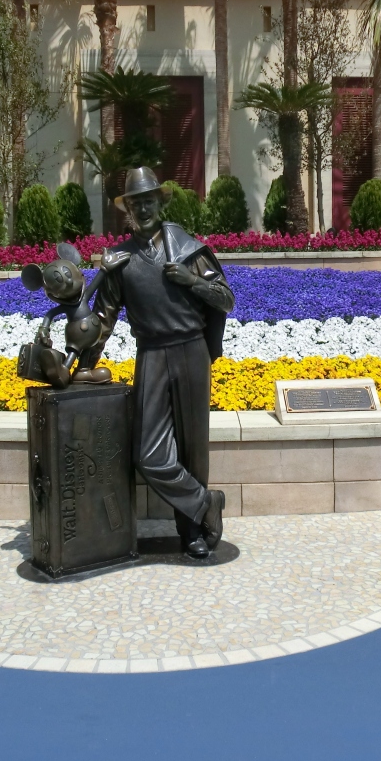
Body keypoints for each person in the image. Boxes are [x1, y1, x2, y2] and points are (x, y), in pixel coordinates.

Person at [82, 167, 234, 559]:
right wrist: (80, 361)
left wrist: (192, 281)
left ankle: (191, 531)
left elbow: (225, 299)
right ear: (128, 210)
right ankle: (205, 503)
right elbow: (103, 318)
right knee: (147, 455)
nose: (144, 209)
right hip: (150, 353)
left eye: (149, 201)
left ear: (160, 202)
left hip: (191, 351)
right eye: (136, 204)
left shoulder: (189, 250)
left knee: (192, 448)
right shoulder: (120, 261)